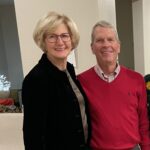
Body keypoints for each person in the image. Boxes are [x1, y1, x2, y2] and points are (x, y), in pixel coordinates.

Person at [22, 11, 90, 150]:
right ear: (43, 41)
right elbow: (33, 135)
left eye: (65, 36)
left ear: (72, 39)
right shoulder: (36, 79)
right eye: (52, 37)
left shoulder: (69, 71)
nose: (60, 42)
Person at [78, 20, 150, 150]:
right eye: (100, 40)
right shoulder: (81, 81)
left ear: (118, 46)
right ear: (92, 48)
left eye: (110, 39)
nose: (106, 45)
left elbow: (143, 123)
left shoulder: (137, 79)